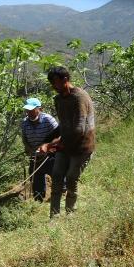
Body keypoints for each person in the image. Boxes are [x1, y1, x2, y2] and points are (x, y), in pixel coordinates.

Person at [40, 66, 95, 218]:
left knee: (71, 178)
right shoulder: (58, 99)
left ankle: (71, 213)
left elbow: (79, 128)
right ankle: (54, 216)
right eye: (51, 83)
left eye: (55, 83)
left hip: (81, 147)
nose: (53, 87)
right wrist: (46, 141)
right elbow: (63, 125)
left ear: (65, 79)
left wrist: (54, 144)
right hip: (64, 146)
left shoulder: (79, 97)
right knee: (57, 176)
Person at [21, 97, 60, 202]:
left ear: (39, 109)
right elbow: (24, 139)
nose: (29, 112)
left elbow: (59, 136)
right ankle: (38, 200)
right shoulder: (24, 123)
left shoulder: (48, 119)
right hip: (35, 156)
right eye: (27, 110)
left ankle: (60, 195)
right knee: (35, 178)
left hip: (50, 155)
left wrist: (48, 146)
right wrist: (29, 149)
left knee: (57, 175)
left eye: (32, 110)